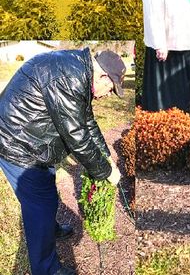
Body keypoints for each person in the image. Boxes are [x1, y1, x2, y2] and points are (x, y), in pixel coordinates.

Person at [0, 48, 124, 275]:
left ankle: (50, 228)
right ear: (103, 76)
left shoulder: (79, 71)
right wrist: (106, 171)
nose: (108, 94)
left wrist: (105, 155)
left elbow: (87, 122)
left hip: (32, 139)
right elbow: (77, 137)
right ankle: (46, 269)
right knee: (39, 204)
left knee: (46, 188)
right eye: (111, 88)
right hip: (16, 143)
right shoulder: (69, 78)